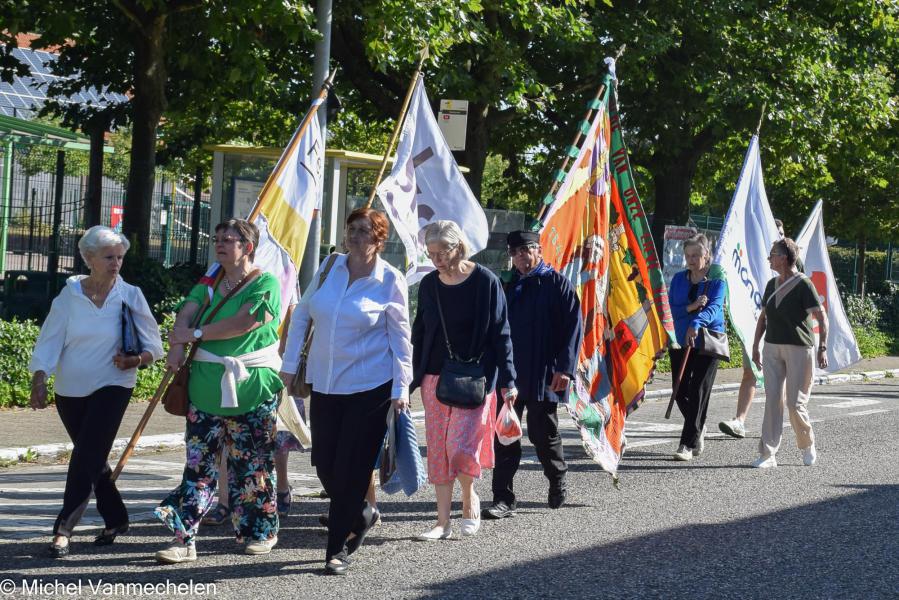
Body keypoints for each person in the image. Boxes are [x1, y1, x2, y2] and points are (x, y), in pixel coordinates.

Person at [280, 207, 412, 576]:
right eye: (351, 229)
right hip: (324, 383)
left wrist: (402, 388)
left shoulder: (390, 280)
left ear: (379, 239)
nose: (355, 236)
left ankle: (336, 549)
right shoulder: (328, 268)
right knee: (324, 462)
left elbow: (402, 343)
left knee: (353, 469)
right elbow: (302, 315)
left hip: (371, 387)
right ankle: (361, 512)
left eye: (364, 231)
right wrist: (289, 368)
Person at [29, 225, 164, 558]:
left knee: (86, 455)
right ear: (89, 258)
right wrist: (40, 376)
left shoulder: (131, 294)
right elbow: (50, 339)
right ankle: (116, 518)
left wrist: (136, 359)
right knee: (92, 457)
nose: (116, 263)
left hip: (114, 384)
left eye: (119, 257)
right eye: (108, 257)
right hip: (70, 388)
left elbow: (154, 346)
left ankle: (63, 530)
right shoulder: (69, 297)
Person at [155, 219, 283, 564]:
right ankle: (184, 540)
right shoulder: (209, 283)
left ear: (248, 246)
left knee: (253, 464)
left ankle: (261, 532)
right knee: (197, 467)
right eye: (218, 239)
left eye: (230, 240)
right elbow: (186, 313)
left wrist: (193, 336)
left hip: (251, 389)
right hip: (205, 389)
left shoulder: (266, 282)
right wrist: (178, 339)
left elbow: (244, 323)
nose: (221, 244)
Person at [411, 220, 517, 541]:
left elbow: (502, 332)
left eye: (442, 252)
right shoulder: (429, 284)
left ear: (459, 247)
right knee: (439, 451)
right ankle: (442, 523)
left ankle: (469, 497)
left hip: (476, 378)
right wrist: (410, 376)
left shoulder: (486, 281)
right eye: (431, 254)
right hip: (434, 377)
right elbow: (420, 331)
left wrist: (508, 380)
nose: (436, 260)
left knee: (460, 446)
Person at [483, 230, 581, 520]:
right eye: (515, 253)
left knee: (543, 433)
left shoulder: (556, 284)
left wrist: (565, 368)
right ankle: (503, 497)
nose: (521, 258)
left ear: (538, 250)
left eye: (526, 251)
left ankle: (557, 478)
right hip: (509, 374)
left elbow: (573, 328)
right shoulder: (506, 285)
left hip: (544, 373)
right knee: (505, 435)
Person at [719, 218, 804, 439]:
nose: (776, 235)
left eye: (780, 233)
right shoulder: (754, 250)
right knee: (750, 371)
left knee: (779, 381)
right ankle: (740, 420)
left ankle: (778, 422)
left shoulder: (792, 262)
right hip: (755, 319)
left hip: (782, 331)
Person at [750, 238, 827, 468]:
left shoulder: (804, 285)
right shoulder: (771, 284)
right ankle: (768, 454)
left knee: (795, 403)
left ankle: (807, 444)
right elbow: (763, 318)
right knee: (773, 400)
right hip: (772, 346)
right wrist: (755, 347)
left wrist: (822, 347)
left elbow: (822, 318)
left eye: (772, 254)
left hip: (799, 348)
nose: (769, 258)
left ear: (784, 258)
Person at [667, 234, 727, 461]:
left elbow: (714, 309)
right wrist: (691, 307)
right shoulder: (679, 279)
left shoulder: (716, 281)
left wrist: (696, 322)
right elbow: (671, 308)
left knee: (698, 390)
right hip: (681, 338)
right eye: (688, 256)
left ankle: (687, 444)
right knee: (679, 390)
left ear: (707, 255)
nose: (691, 260)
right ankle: (698, 427)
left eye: (696, 256)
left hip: (707, 341)